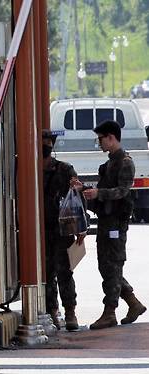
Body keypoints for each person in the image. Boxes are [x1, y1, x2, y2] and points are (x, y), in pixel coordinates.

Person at [71, 120, 147, 330]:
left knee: (112, 266)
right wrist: (83, 190)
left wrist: (98, 193)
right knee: (107, 266)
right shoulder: (108, 164)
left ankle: (110, 312)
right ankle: (133, 303)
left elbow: (123, 191)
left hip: (116, 224)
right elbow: (102, 196)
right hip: (106, 222)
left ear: (111, 137)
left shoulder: (125, 162)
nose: (99, 143)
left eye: (101, 139)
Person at [42, 129, 83, 331]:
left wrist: (81, 228)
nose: (46, 145)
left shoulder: (65, 169)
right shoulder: (25, 166)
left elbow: (77, 199)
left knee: (64, 271)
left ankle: (70, 312)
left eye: (49, 142)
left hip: (61, 230)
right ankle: (52, 312)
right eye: (43, 141)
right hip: (38, 231)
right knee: (46, 274)